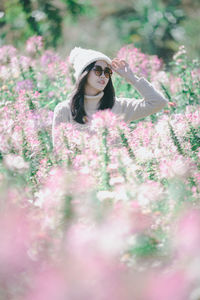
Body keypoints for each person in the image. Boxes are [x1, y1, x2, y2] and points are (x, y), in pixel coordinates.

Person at [52, 46, 168, 148]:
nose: (103, 75)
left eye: (107, 72)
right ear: (84, 73)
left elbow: (158, 102)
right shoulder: (64, 110)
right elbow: (60, 155)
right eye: (98, 70)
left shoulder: (119, 106)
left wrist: (131, 78)